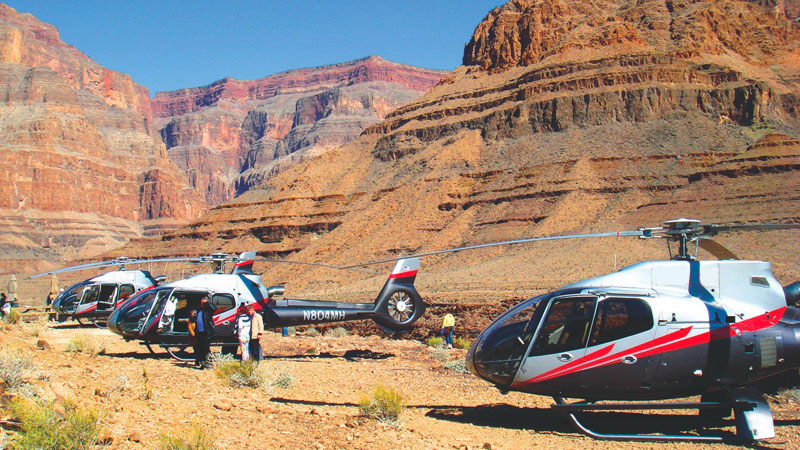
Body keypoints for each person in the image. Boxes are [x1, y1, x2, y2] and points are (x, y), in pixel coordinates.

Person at [195, 297, 215, 368]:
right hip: (199, 332)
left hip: (206, 332)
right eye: (202, 303)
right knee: (199, 348)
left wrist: (207, 303)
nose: (202, 304)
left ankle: (208, 363)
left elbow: (214, 308)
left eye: (204, 303)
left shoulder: (208, 311)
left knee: (206, 349)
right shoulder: (199, 310)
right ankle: (201, 362)